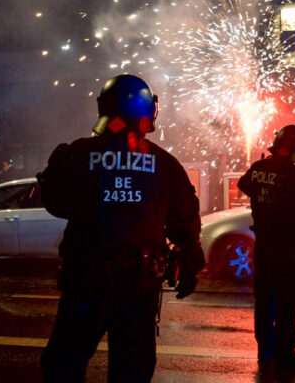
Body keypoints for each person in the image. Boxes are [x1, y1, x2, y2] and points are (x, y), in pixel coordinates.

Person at [37, 74, 205, 383]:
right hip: (139, 285)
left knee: (64, 363)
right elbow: (185, 222)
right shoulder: (165, 163)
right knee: (132, 370)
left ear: (103, 106)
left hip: (86, 278)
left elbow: (56, 204)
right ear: (149, 111)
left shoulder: (76, 154)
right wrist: (191, 263)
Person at [237, 125, 295, 373]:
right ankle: (285, 354)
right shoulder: (294, 175)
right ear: (294, 148)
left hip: (263, 247)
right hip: (286, 249)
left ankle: (265, 350)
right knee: (285, 302)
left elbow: (244, 184)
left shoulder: (259, 168)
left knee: (263, 300)